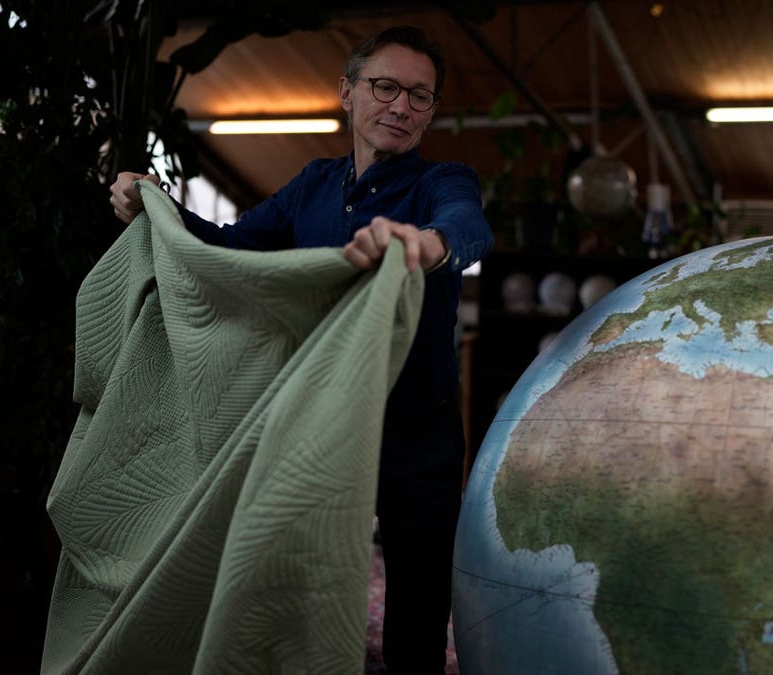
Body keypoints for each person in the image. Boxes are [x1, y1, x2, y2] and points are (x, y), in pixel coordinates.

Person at [109, 25, 493, 673]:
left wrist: (424, 246)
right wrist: (154, 206)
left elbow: (466, 227)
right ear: (347, 92)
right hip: (316, 426)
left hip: (417, 437)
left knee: (418, 618)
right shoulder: (312, 186)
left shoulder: (442, 181)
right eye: (386, 87)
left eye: (420, 96)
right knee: (297, 594)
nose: (401, 107)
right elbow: (231, 249)